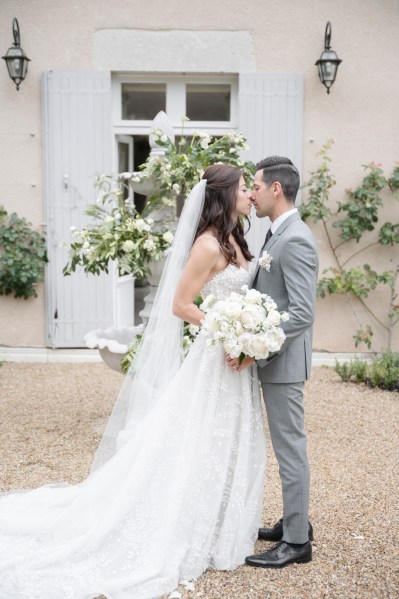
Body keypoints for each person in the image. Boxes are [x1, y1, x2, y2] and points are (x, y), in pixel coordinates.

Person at [0, 164, 266, 599]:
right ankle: (184, 521)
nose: (248, 194)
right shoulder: (205, 245)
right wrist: (229, 331)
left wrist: (247, 333)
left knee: (226, 438)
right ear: (221, 194)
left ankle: (219, 520)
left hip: (235, 358)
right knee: (200, 436)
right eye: (242, 187)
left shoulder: (236, 237)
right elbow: (181, 304)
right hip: (215, 356)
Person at [227, 156, 319, 568]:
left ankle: (297, 541)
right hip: (274, 362)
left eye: (257, 186)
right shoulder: (275, 233)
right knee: (286, 447)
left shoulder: (295, 237)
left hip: (283, 366)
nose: (252, 194)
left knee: (290, 449)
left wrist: (254, 348)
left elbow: (301, 312)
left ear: (276, 189)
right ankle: (293, 522)